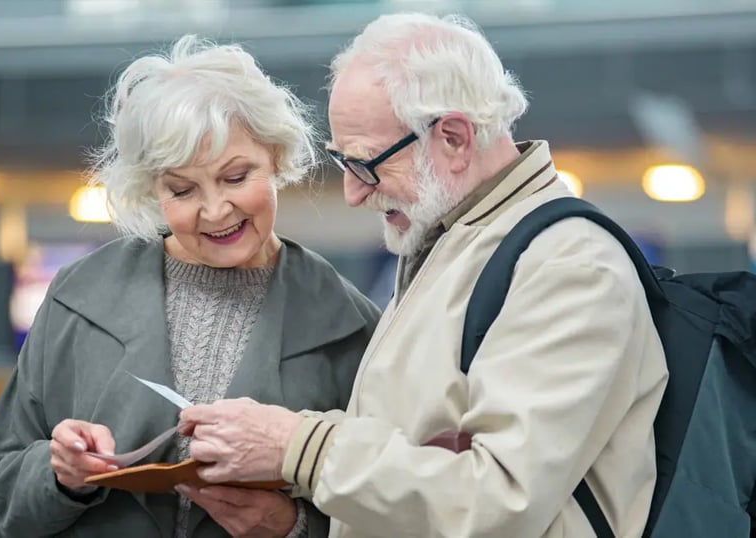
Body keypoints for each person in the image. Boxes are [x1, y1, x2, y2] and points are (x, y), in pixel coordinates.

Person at [176, 13, 670, 538]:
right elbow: (411, 445)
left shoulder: (568, 265)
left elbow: (497, 498)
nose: (353, 192)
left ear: (454, 138)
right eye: (341, 162)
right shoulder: (458, 240)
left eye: (365, 165)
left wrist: (298, 447)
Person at [0, 35, 379, 538]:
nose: (215, 210)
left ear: (277, 158)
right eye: (182, 189)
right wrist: (59, 475)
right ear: (150, 189)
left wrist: (293, 526)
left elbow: (388, 506)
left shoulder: (351, 324)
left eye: (236, 177)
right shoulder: (78, 296)